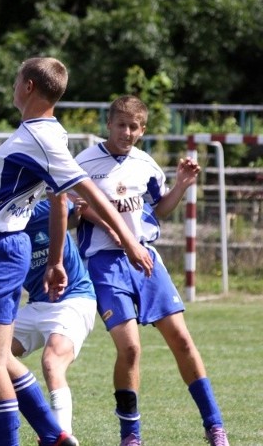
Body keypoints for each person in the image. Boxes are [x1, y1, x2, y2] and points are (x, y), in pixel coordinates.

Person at [0, 56, 154, 446]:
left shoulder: (40, 136)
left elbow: (86, 191)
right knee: (0, 357)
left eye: (17, 81)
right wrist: (52, 262)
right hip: (4, 245)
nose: (14, 88)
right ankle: (52, 434)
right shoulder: (44, 133)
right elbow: (60, 199)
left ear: (28, 86)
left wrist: (129, 241)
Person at [74, 95, 229, 446]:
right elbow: (76, 207)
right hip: (104, 263)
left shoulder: (145, 164)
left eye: (134, 127)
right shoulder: (84, 162)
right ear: (108, 124)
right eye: (121, 125)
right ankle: (131, 434)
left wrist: (182, 186)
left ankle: (215, 425)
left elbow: (158, 211)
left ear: (142, 130)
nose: (126, 132)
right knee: (130, 348)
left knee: (183, 341)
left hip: (145, 260)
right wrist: (114, 231)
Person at [0, 198, 97, 446]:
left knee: (52, 360)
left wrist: (87, 216)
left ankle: (61, 435)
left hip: (74, 299)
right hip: (36, 304)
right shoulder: (0, 226)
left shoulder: (46, 208)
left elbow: (76, 210)